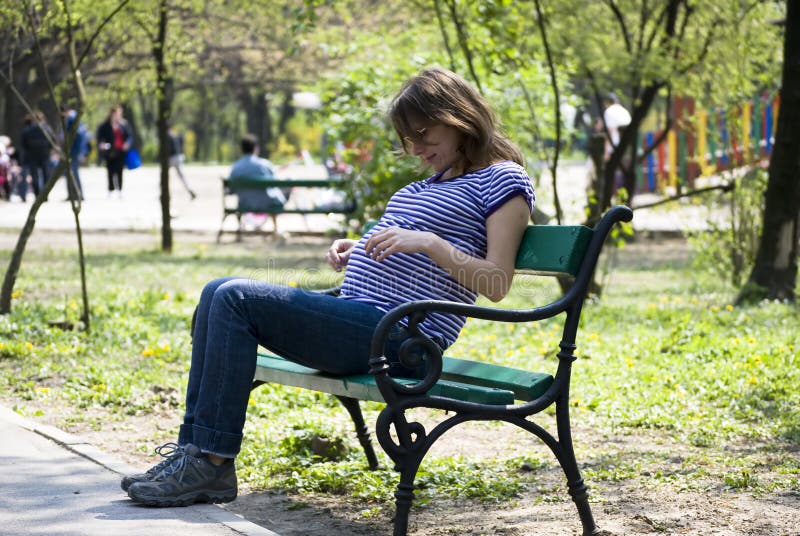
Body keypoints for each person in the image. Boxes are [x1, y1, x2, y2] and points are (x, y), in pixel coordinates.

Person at [121, 67, 535, 508]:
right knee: (216, 291)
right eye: (407, 138)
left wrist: (430, 243)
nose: (415, 148)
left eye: (423, 133)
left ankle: (213, 462)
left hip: (400, 337)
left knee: (234, 298)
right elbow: (412, 250)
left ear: (457, 117)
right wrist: (359, 249)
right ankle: (195, 453)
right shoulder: (433, 182)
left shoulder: (503, 180)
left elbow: (496, 282)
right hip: (361, 317)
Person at [229, 133, 286, 231]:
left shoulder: (236, 167)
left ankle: (241, 228)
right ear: (255, 148)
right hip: (267, 203)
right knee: (280, 194)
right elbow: (274, 184)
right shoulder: (264, 164)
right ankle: (275, 228)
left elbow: (231, 190)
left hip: (244, 204)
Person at [96, 105, 133, 198]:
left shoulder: (124, 124)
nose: (118, 115)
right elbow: (100, 138)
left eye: (119, 113)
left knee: (120, 170)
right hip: (109, 151)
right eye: (117, 113)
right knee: (110, 170)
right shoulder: (105, 125)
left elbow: (129, 136)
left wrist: (127, 144)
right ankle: (111, 189)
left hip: (121, 151)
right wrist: (101, 144)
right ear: (112, 113)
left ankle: (120, 189)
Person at [20, 111, 54, 199]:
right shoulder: (47, 129)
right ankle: (45, 195)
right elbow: (53, 141)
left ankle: (37, 194)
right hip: (45, 155)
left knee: (35, 176)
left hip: (32, 155)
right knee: (46, 175)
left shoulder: (28, 129)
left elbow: (23, 143)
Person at [61, 104, 90, 201]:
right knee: (71, 173)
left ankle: (77, 194)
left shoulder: (72, 119)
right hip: (75, 150)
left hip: (73, 150)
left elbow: (76, 136)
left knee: (73, 173)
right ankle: (74, 194)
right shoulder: (75, 118)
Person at [598, 92, 631, 159]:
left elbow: (610, 131)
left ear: (606, 102)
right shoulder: (625, 111)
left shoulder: (609, 111)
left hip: (616, 144)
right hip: (629, 144)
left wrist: (606, 152)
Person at [168, 128, 197, 200]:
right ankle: (190, 190)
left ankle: (166, 193)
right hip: (179, 157)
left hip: (172, 158)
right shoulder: (176, 135)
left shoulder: (168, 137)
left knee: (165, 176)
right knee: (182, 176)